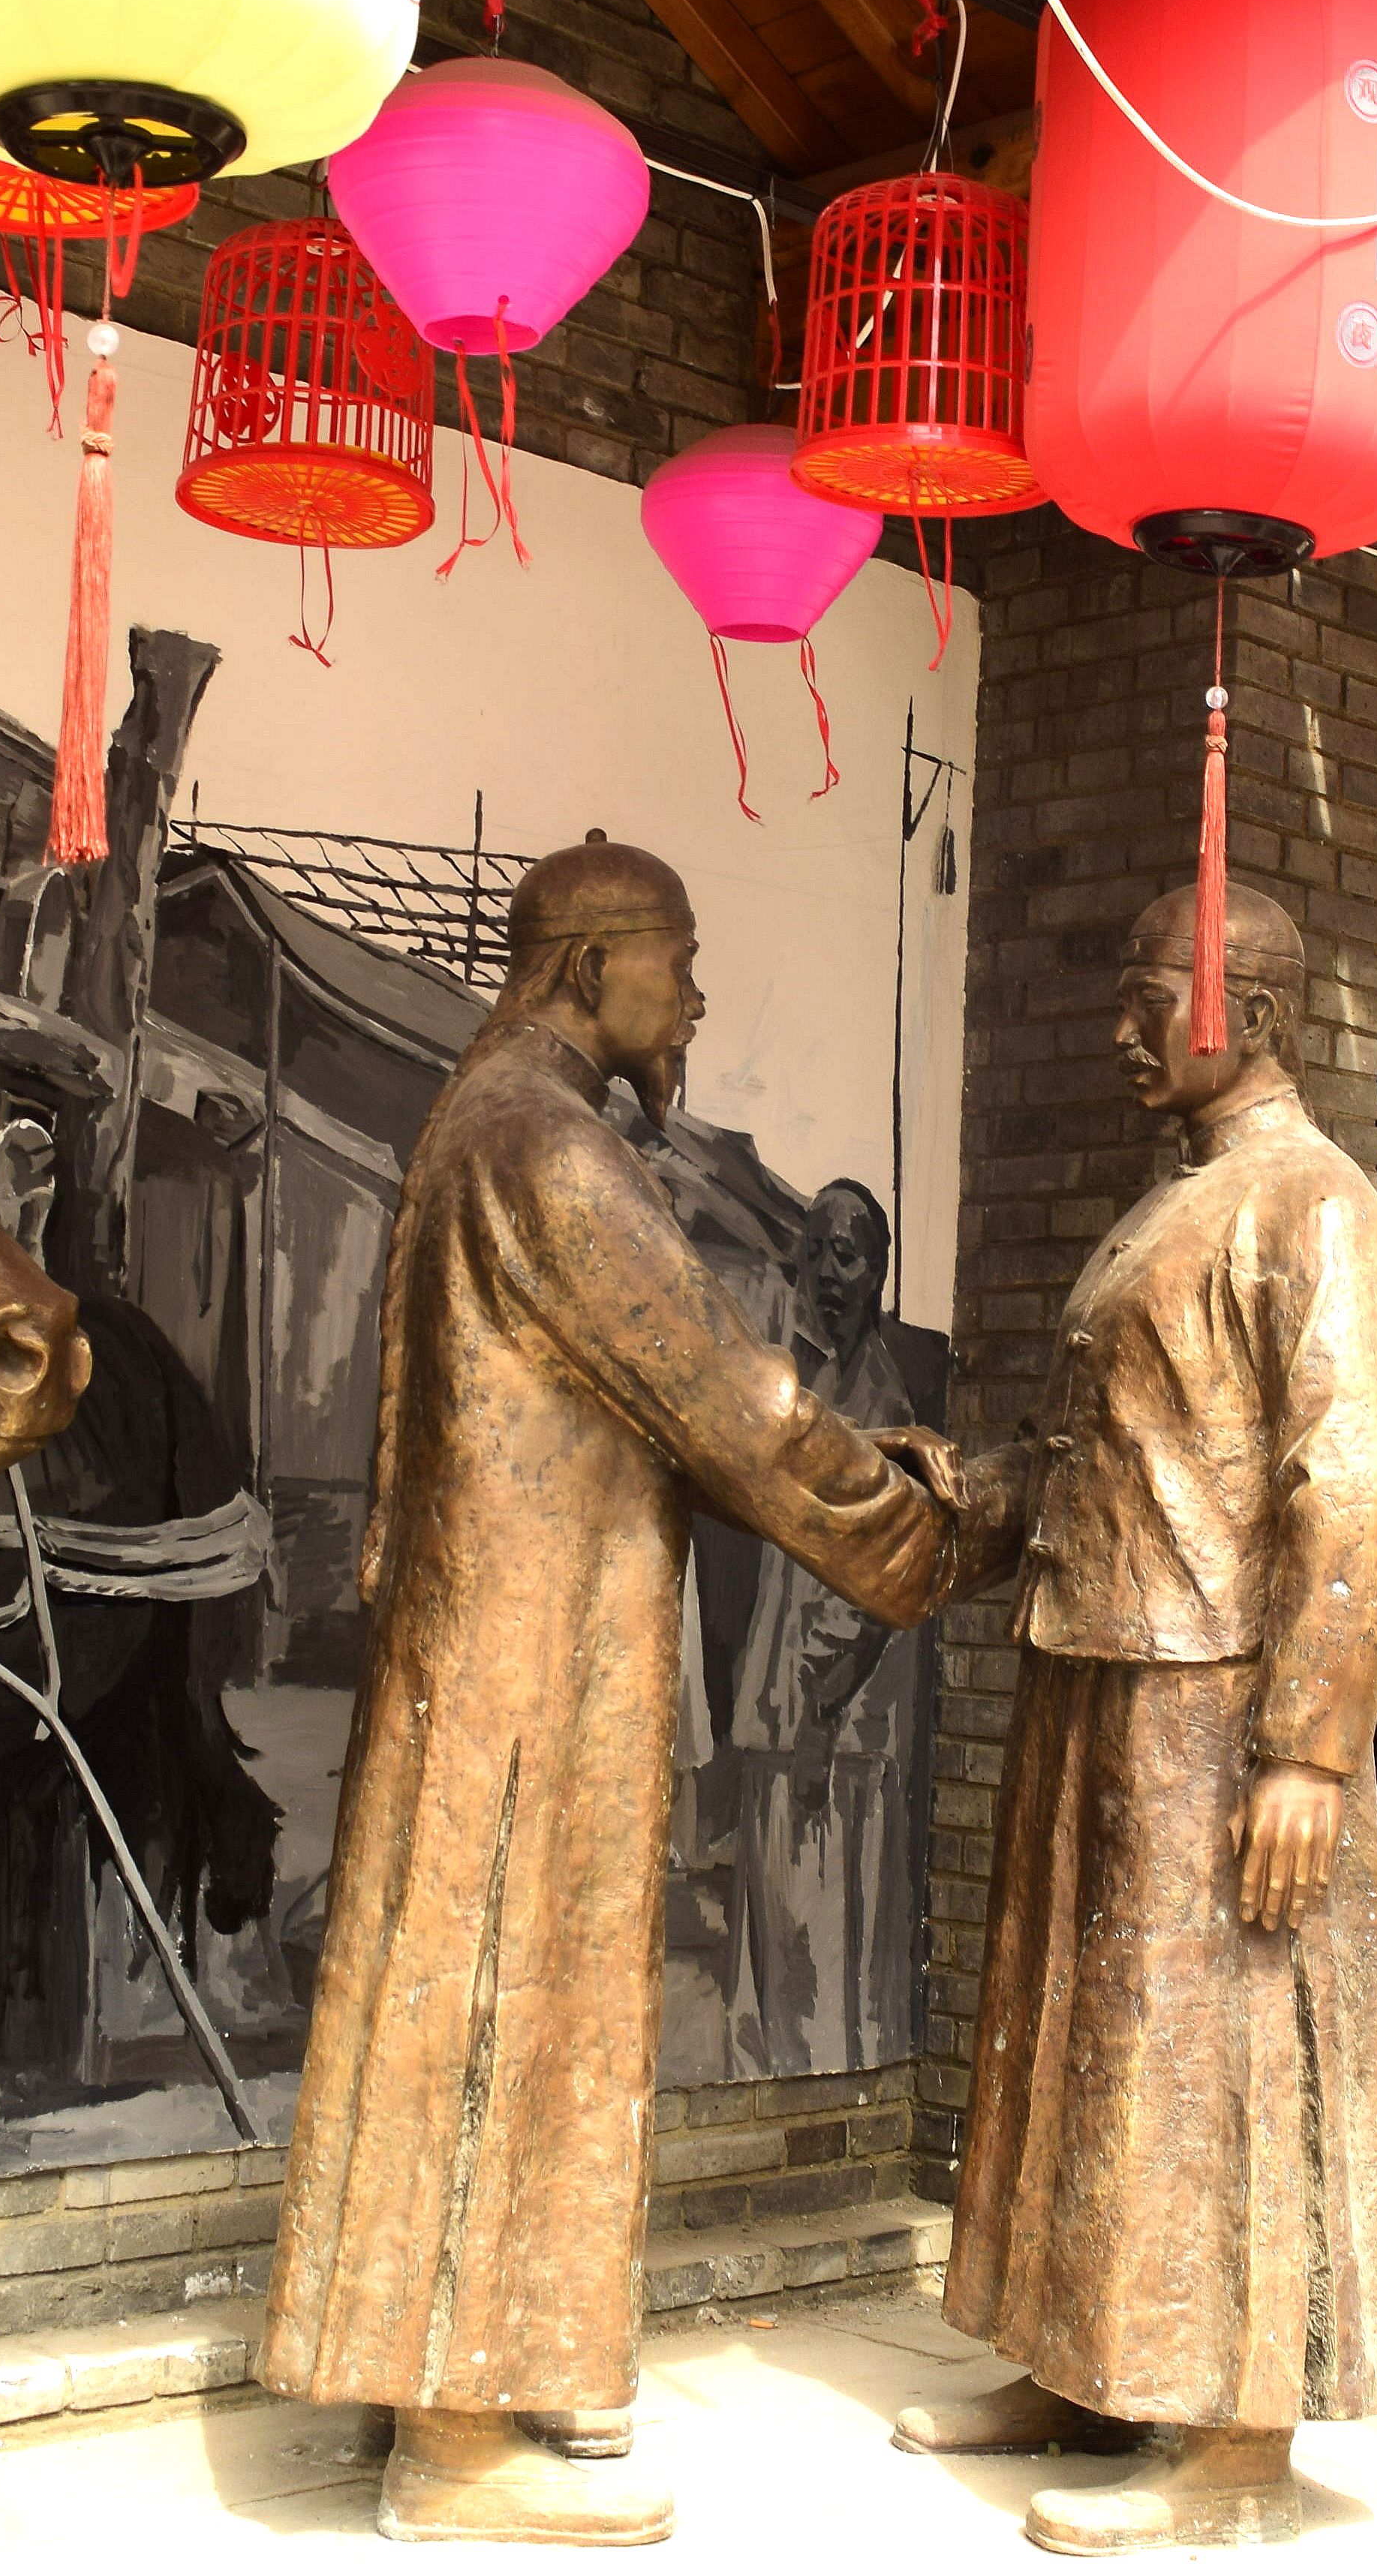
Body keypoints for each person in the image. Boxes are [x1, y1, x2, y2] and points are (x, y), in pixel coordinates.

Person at [257, 834, 955, 2547]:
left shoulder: (503, 1117)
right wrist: (923, 1526)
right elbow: (724, 1395)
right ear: (590, 965)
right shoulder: (545, 1145)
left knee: (544, 1993)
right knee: (496, 1992)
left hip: (531, 1638)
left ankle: (520, 2351)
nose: (696, 997)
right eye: (679, 961)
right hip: (520, 1657)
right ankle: (451, 2431)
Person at [891, 879, 1377, 2556]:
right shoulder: (1174, 1199)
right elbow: (1104, 1455)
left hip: (1210, 1700)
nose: (1121, 1029)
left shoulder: (1312, 1201)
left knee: (1215, 2052)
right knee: (1084, 2036)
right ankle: (1088, 2362)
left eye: (1152, 1000)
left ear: (1251, 1016)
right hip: (1097, 1662)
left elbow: (1357, 1479)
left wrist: (1308, 1747)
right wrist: (952, 1499)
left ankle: (1228, 2446)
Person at [723, 1180, 940, 2077]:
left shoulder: (883, 1400)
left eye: (844, 1253)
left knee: (825, 1967)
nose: (825, 1273)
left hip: (838, 1739)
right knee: (770, 1962)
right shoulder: (803, 1384)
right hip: (778, 1719)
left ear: (878, 1269)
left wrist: (820, 1713)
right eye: (813, 1252)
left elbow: (884, 1584)